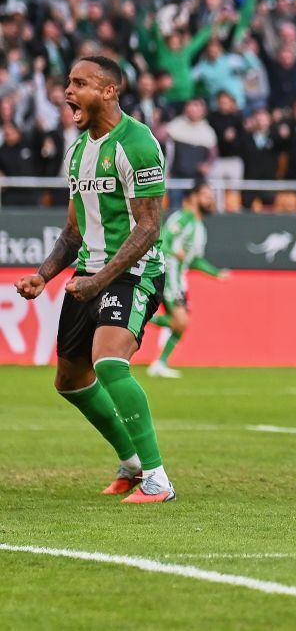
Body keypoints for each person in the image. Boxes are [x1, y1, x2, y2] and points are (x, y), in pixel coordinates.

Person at [13, 56, 175, 503]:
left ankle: (158, 480)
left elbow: (148, 227)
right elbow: (73, 229)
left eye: (79, 83)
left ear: (109, 91)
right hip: (89, 274)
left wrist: (100, 278)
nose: (68, 91)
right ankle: (132, 463)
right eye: (68, 83)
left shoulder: (138, 143)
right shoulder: (78, 149)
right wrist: (43, 276)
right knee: (70, 380)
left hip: (132, 271)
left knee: (108, 360)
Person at [146, 180, 231, 379]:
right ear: (193, 197)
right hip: (169, 275)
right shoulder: (183, 219)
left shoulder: (199, 227)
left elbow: (194, 260)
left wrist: (216, 274)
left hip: (180, 279)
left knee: (181, 324)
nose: (210, 200)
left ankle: (160, 363)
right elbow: (161, 240)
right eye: (206, 195)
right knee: (180, 321)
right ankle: (139, 317)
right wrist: (175, 251)